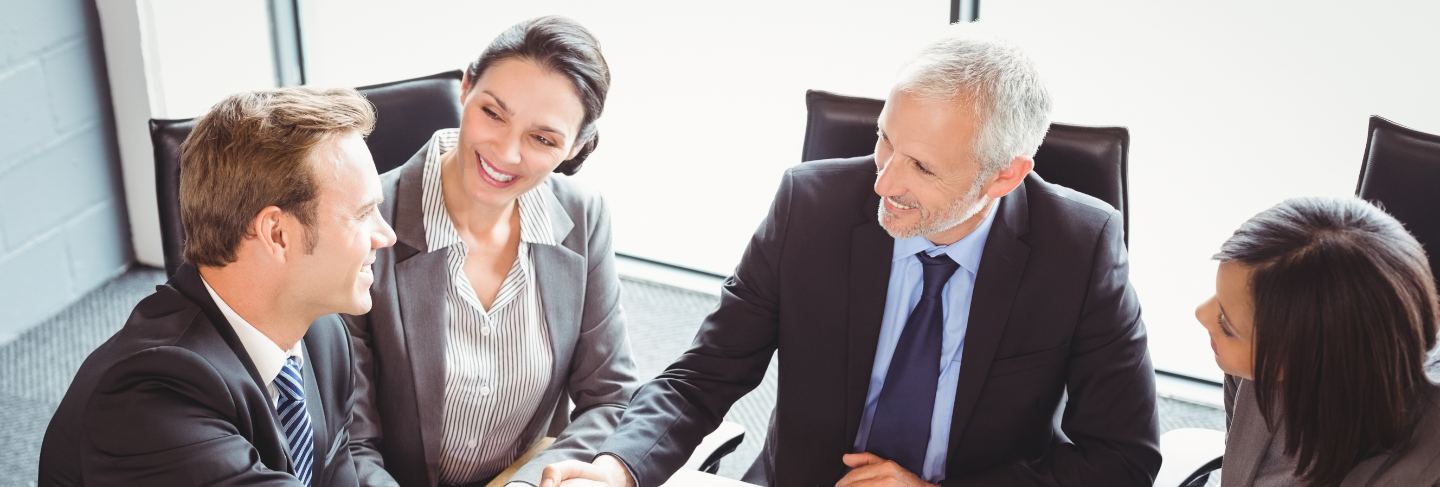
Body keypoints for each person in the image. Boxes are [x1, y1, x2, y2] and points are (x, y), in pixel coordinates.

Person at [542, 24, 1159, 487]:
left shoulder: (1080, 247)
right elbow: (703, 375)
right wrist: (615, 468)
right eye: (884, 139)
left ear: (1005, 176)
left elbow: (1122, 456)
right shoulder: (811, 205)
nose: (884, 182)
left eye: (922, 167)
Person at [36, 86, 395, 485]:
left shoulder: (323, 335)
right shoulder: (153, 398)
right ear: (277, 234)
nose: (387, 235)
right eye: (363, 214)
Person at [345, 16, 638, 487]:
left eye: (542, 139)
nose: (506, 152)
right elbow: (348, 437)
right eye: (494, 114)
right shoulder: (365, 224)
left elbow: (609, 397)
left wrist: (528, 483)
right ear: (466, 87)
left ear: (575, 146)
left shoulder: (583, 218)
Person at [1195, 196, 1440, 486]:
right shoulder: (1251, 368)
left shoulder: (1423, 467)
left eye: (1226, 324)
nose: (1201, 314)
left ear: (1312, 361)